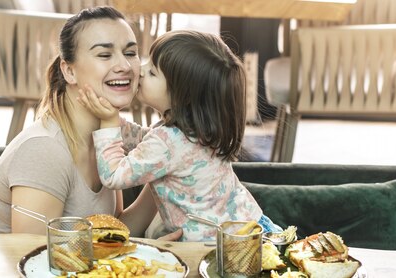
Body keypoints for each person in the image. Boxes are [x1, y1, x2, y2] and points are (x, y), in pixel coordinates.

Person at [0, 6, 181, 240]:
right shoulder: (43, 151)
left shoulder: (105, 137)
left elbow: (112, 234)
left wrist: (166, 170)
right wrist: (146, 264)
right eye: (104, 55)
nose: (125, 66)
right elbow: (34, 260)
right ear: (69, 71)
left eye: (130, 53)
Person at [77, 30, 282, 242]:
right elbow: (146, 141)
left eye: (153, 72)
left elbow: (114, 176)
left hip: (228, 249)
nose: (139, 71)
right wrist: (109, 119)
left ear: (181, 96)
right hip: (252, 228)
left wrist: (109, 124)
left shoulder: (168, 142)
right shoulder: (196, 131)